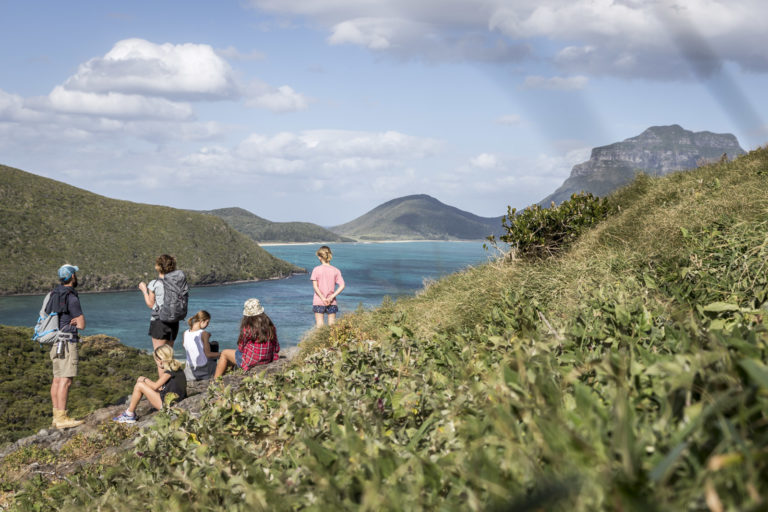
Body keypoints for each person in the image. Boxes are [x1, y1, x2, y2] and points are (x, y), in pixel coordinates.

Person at [49, 264, 86, 429]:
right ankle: (63, 418)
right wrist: (76, 321)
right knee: (66, 381)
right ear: (72, 277)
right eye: (75, 275)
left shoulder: (54, 294)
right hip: (67, 342)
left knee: (57, 380)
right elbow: (82, 324)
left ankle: (57, 416)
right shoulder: (71, 297)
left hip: (56, 341)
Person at [113, 344, 187, 423]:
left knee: (139, 385)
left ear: (160, 360)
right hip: (176, 401)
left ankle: (129, 414)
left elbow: (155, 386)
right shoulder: (176, 368)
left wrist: (144, 379)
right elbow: (162, 387)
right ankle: (130, 412)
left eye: (155, 360)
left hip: (169, 405)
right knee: (142, 383)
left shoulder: (168, 373)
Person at [138, 254, 183, 377]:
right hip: (174, 322)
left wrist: (144, 290)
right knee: (169, 355)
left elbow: (150, 304)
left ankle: (164, 388)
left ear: (158, 267)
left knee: (160, 358)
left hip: (159, 322)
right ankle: (172, 384)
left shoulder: (154, 283)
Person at [214, 298, 279, 378]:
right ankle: (227, 377)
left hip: (251, 362)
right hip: (267, 359)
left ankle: (215, 381)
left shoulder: (248, 329)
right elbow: (277, 348)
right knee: (231, 358)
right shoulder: (271, 327)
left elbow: (241, 348)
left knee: (224, 353)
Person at [310, 245, 345, 327]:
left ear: (320, 257)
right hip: (332, 301)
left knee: (319, 326)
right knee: (332, 326)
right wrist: (331, 297)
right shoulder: (336, 270)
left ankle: (321, 340)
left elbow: (315, 287)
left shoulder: (316, 269)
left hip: (319, 300)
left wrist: (322, 298)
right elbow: (342, 285)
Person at [182, 310, 220, 381]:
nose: (207, 325)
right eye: (207, 322)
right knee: (215, 344)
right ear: (202, 321)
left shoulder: (185, 333)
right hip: (204, 370)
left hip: (190, 370)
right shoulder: (204, 333)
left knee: (211, 345)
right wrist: (223, 354)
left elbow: (186, 347)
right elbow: (208, 354)